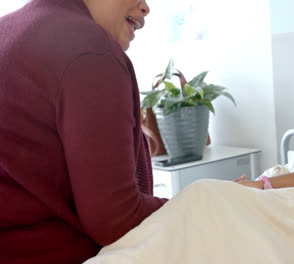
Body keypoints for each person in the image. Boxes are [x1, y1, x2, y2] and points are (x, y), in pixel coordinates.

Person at [0, 0, 168, 263]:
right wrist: (204, 202)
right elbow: (116, 219)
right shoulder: (91, 49)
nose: (145, 7)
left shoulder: (8, 29)